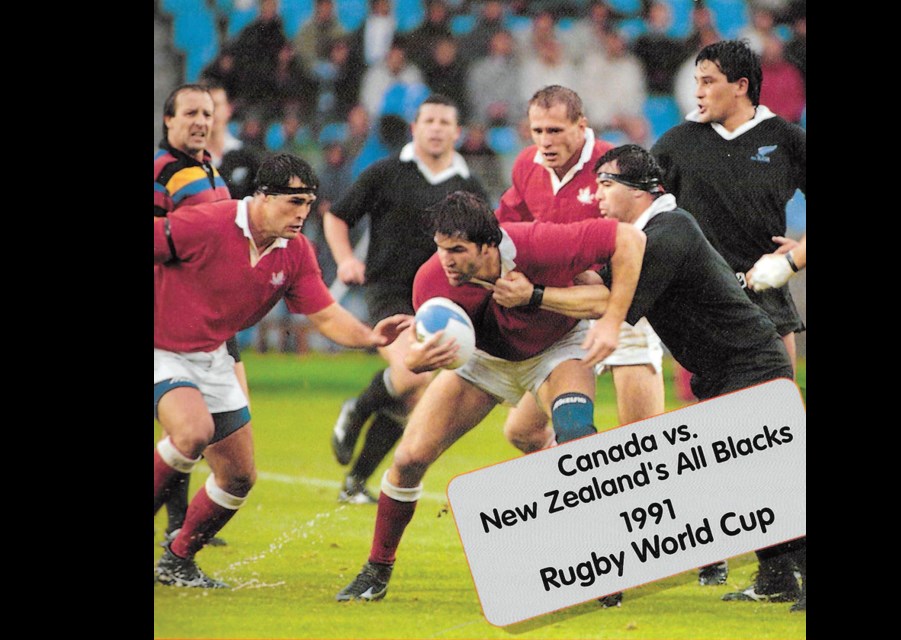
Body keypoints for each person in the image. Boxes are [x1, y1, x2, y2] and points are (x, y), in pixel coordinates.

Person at [494, 144, 805, 612]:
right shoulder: (640, 235)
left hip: (751, 364)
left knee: (757, 479)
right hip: (726, 369)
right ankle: (779, 577)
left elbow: (606, 304)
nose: (595, 195)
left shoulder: (668, 232)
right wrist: (548, 261)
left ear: (641, 191)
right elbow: (596, 283)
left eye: (606, 184)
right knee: (748, 479)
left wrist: (534, 296)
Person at [334, 189, 645, 602]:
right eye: (441, 248)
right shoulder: (431, 280)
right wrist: (421, 359)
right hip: (484, 361)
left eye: (457, 249)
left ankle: (603, 564)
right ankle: (376, 569)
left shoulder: (538, 242)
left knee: (576, 437)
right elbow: (422, 353)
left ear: (489, 245)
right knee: (408, 460)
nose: (446, 259)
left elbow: (630, 242)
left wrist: (535, 295)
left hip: (558, 350)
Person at [153, 153, 411, 588]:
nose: (302, 214)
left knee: (238, 477)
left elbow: (325, 315)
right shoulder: (205, 222)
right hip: (163, 348)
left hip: (214, 356)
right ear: (262, 196)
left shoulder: (296, 251)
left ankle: (178, 560)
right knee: (192, 432)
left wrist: (371, 338)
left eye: (308, 204)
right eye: (293, 202)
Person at [652, 38, 807, 595]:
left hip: (766, 303)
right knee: (731, 449)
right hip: (702, 312)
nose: (697, 92)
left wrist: (792, 259)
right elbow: (638, 214)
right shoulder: (674, 144)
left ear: (741, 85)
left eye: (709, 81)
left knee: (772, 440)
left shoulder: (786, 139)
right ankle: (775, 570)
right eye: (696, 81)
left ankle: (780, 569)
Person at [495, 86, 665, 496]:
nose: (545, 141)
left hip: (625, 309)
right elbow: (506, 228)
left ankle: (699, 546)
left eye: (555, 130)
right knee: (520, 432)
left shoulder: (615, 163)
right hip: (568, 315)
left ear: (581, 126)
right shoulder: (526, 166)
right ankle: (589, 492)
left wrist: (603, 276)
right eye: (537, 130)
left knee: (645, 447)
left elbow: (653, 225)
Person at [323, 95, 488, 503]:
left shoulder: (469, 186)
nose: (435, 127)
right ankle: (356, 410)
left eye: (444, 121)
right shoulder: (387, 172)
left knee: (414, 394)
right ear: (415, 128)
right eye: (428, 120)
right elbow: (336, 215)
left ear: (457, 131)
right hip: (390, 290)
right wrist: (345, 260)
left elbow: (487, 243)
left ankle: (356, 483)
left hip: (441, 299)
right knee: (416, 374)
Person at [154, 83, 236, 548]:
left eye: (206, 113)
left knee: (198, 429)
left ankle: (180, 525)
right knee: (187, 429)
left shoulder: (209, 170)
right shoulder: (162, 171)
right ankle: (178, 526)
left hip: (210, 319)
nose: (201, 121)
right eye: (190, 113)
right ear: (169, 120)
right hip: (170, 323)